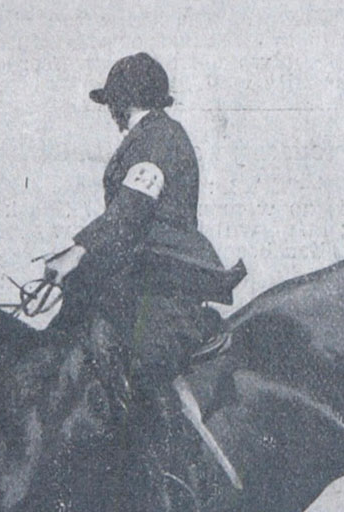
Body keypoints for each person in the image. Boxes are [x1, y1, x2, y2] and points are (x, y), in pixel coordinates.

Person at [40, 54, 244, 440]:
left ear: (121, 101)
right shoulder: (146, 137)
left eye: (112, 104)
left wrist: (77, 252)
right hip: (139, 273)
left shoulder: (159, 137)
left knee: (127, 363)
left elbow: (131, 210)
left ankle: (170, 461)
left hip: (163, 282)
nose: (111, 114)